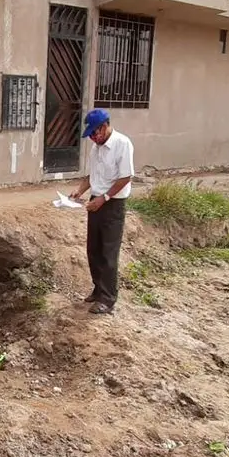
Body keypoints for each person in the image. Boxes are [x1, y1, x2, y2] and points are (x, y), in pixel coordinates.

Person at [69, 108, 135, 315]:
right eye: (90, 135)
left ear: (104, 127)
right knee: (94, 249)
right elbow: (92, 175)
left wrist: (104, 198)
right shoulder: (96, 148)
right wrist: (79, 191)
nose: (93, 138)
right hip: (95, 202)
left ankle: (108, 299)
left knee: (108, 252)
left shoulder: (122, 144)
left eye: (94, 133)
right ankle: (98, 290)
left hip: (112, 204)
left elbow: (125, 177)